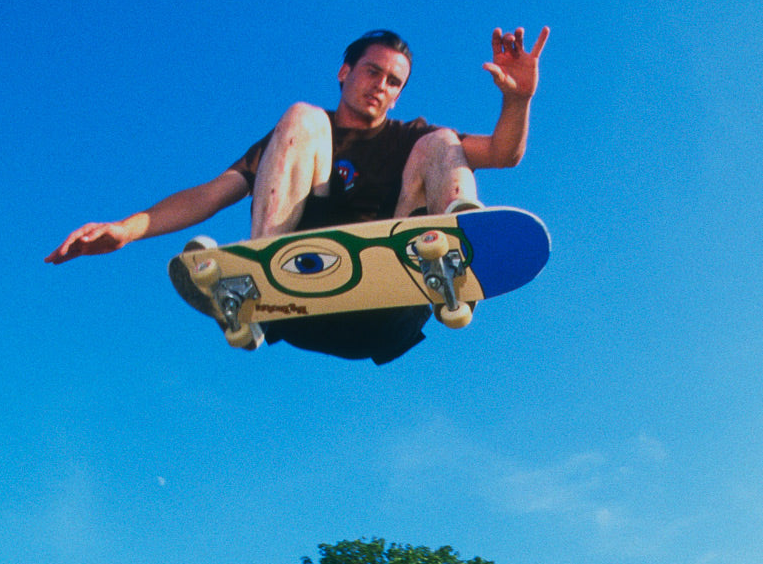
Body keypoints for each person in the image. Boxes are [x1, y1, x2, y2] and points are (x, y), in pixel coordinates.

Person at [46, 25, 549, 364]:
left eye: (393, 82)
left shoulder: (410, 136)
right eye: (372, 71)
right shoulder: (303, 134)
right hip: (298, 301)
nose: (381, 86)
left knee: (441, 141)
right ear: (345, 72)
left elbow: (502, 153)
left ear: (399, 94)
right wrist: (126, 230)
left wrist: (519, 100)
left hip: (388, 308)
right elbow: (211, 194)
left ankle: (449, 263)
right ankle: (263, 272)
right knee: (301, 117)